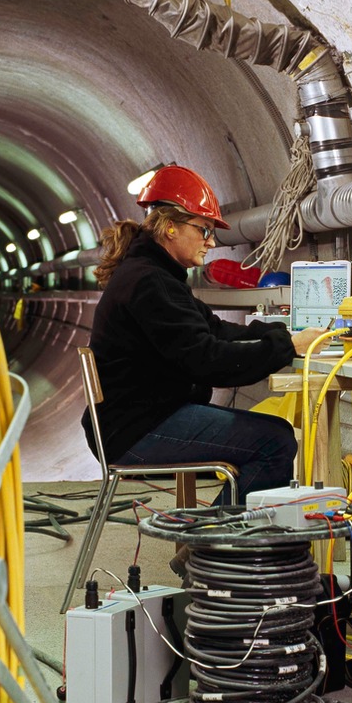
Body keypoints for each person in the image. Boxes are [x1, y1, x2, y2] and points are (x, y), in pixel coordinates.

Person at [82, 163, 327, 502]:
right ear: (170, 228)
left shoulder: (155, 275)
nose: (211, 242)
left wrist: (278, 332)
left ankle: (213, 538)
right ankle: (213, 545)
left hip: (135, 421)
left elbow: (212, 328)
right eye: (204, 230)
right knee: (275, 441)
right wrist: (285, 346)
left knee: (273, 436)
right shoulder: (149, 283)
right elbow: (209, 362)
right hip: (137, 432)